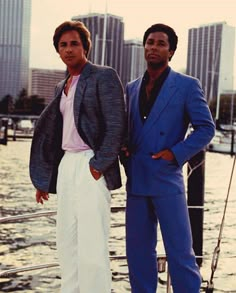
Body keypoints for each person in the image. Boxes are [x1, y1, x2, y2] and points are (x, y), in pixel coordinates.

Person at [29, 21, 125, 293]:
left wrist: (97, 166)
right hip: (67, 165)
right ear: (57, 50)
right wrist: (44, 178)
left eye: (74, 43)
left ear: (85, 46)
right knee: (66, 242)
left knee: (92, 244)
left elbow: (116, 125)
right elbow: (53, 133)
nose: (68, 49)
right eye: (63, 45)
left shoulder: (103, 76)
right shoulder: (63, 85)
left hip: (90, 163)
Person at [121, 23, 215, 293]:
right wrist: (123, 148)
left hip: (166, 178)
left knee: (180, 253)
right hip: (137, 180)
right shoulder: (131, 88)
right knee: (138, 254)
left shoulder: (187, 85)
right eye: (149, 42)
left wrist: (175, 154)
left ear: (171, 51)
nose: (153, 47)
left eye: (160, 43)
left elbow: (206, 129)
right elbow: (127, 130)